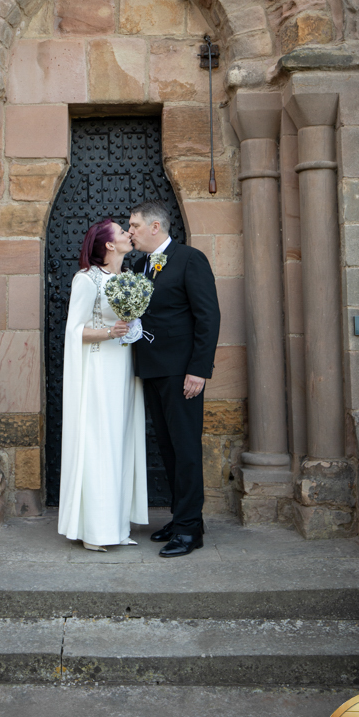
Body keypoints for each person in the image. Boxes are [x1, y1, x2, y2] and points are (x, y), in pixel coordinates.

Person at [129, 200, 221, 558]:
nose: (130, 231)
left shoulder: (189, 259)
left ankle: (188, 530)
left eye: (135, 225)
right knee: (166, 448)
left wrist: (199, 369)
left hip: (183, 373)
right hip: (151, 369)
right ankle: (182, 518)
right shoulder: (140, 265)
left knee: (185, 449)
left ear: (156, 227)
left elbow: (207, 317)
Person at [58, 218, 149, 551]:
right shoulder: (87, 279)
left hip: (122, 368)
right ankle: (96, 531)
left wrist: (133, 329)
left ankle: (118, 526)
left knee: (120, 441)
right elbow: (75, 330)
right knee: (99, 443)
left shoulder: (128, 279)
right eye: (122, 232)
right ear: (109, 245)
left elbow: (131, 325)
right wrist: (109, 332)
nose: (128, 234)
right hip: (98, 369)